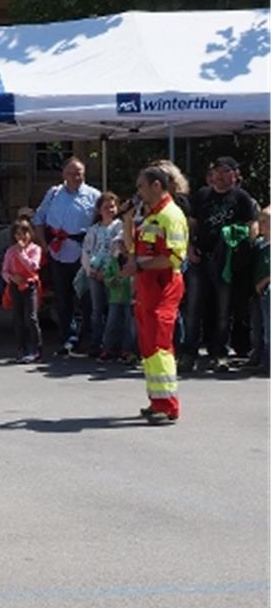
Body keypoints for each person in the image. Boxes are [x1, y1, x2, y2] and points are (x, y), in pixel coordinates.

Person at [122, 160, 189, 425]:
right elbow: (132, 249)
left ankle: (168, 405)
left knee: (160, 346)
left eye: (141, 186)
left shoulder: (171, 215)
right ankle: (156, 400)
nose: (137, 192)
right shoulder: (150, 215)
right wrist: (127, 221)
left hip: (163, 287)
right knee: (149, 347)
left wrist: (137, 264)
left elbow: (173, 258)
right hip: (147, 287)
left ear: (156, 185)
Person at [182, 156, 259, 372]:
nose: (221, 176)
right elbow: (191, 225)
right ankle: (189, 352)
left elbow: (252, 226)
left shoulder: (242, 198)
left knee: (224, 309)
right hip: (201, 258)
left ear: (235, 175)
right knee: (193, 307)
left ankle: (219, 352)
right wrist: (189, 247)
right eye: (217, 171)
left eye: (226, 172)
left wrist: (241, 244)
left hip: (225, 262)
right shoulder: (202, 195)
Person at [32, 157, 101, 356]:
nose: (75, 177)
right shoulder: (53, 194)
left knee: (87, 299)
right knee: (63, 300)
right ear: (64, 174)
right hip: (58, 252)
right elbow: (39, 219)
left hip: (83, 254)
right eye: (71, 173)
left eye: (78, 173)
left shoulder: (94, 195)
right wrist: (44, 245)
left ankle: (88, 338)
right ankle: (67, 338)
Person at [80, 192, 122, 356]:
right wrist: (91, 270)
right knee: (97, 309)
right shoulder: (93, 229)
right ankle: (95, 342)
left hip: (111, 272)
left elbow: (117, 249)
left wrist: (107, 271)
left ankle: (110, 343)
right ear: (99, 210)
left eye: (112, 206)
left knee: (114, 308)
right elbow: (86, 251)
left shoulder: (119, 227)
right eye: (106, 207)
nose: (109, 210)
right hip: (94, 272)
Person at [1, 220, 43, 363]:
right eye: (18, 233)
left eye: (24, 233)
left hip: (30, 285)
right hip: (15, 286)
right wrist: (12, 278)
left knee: (30, 317)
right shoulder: (10, 251)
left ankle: (36, 348)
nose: (21, 237)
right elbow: (4, 271)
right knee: (18, 317)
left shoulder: (35, 249)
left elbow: (33, 267)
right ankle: (21, 348)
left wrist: (22, 253)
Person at [100, 237, 137, 364]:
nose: (122, 247)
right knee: (111, 323)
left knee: (129, 326)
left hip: (129, 297)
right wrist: (112, 281)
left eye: (124, 243)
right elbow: (107, 276)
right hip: (115, 296)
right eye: (119, 244)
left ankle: (128, 350)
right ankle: (108, 348)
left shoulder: (134, 261)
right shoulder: (114, 260)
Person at [244, 205, 270, 376]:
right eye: (259, 221)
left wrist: (264, 282)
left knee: (268, 327)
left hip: (266, 289)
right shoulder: (260, 244)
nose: (261, 224)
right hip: (256, 292)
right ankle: (258, 355)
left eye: (265, 221)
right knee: (257, 326)